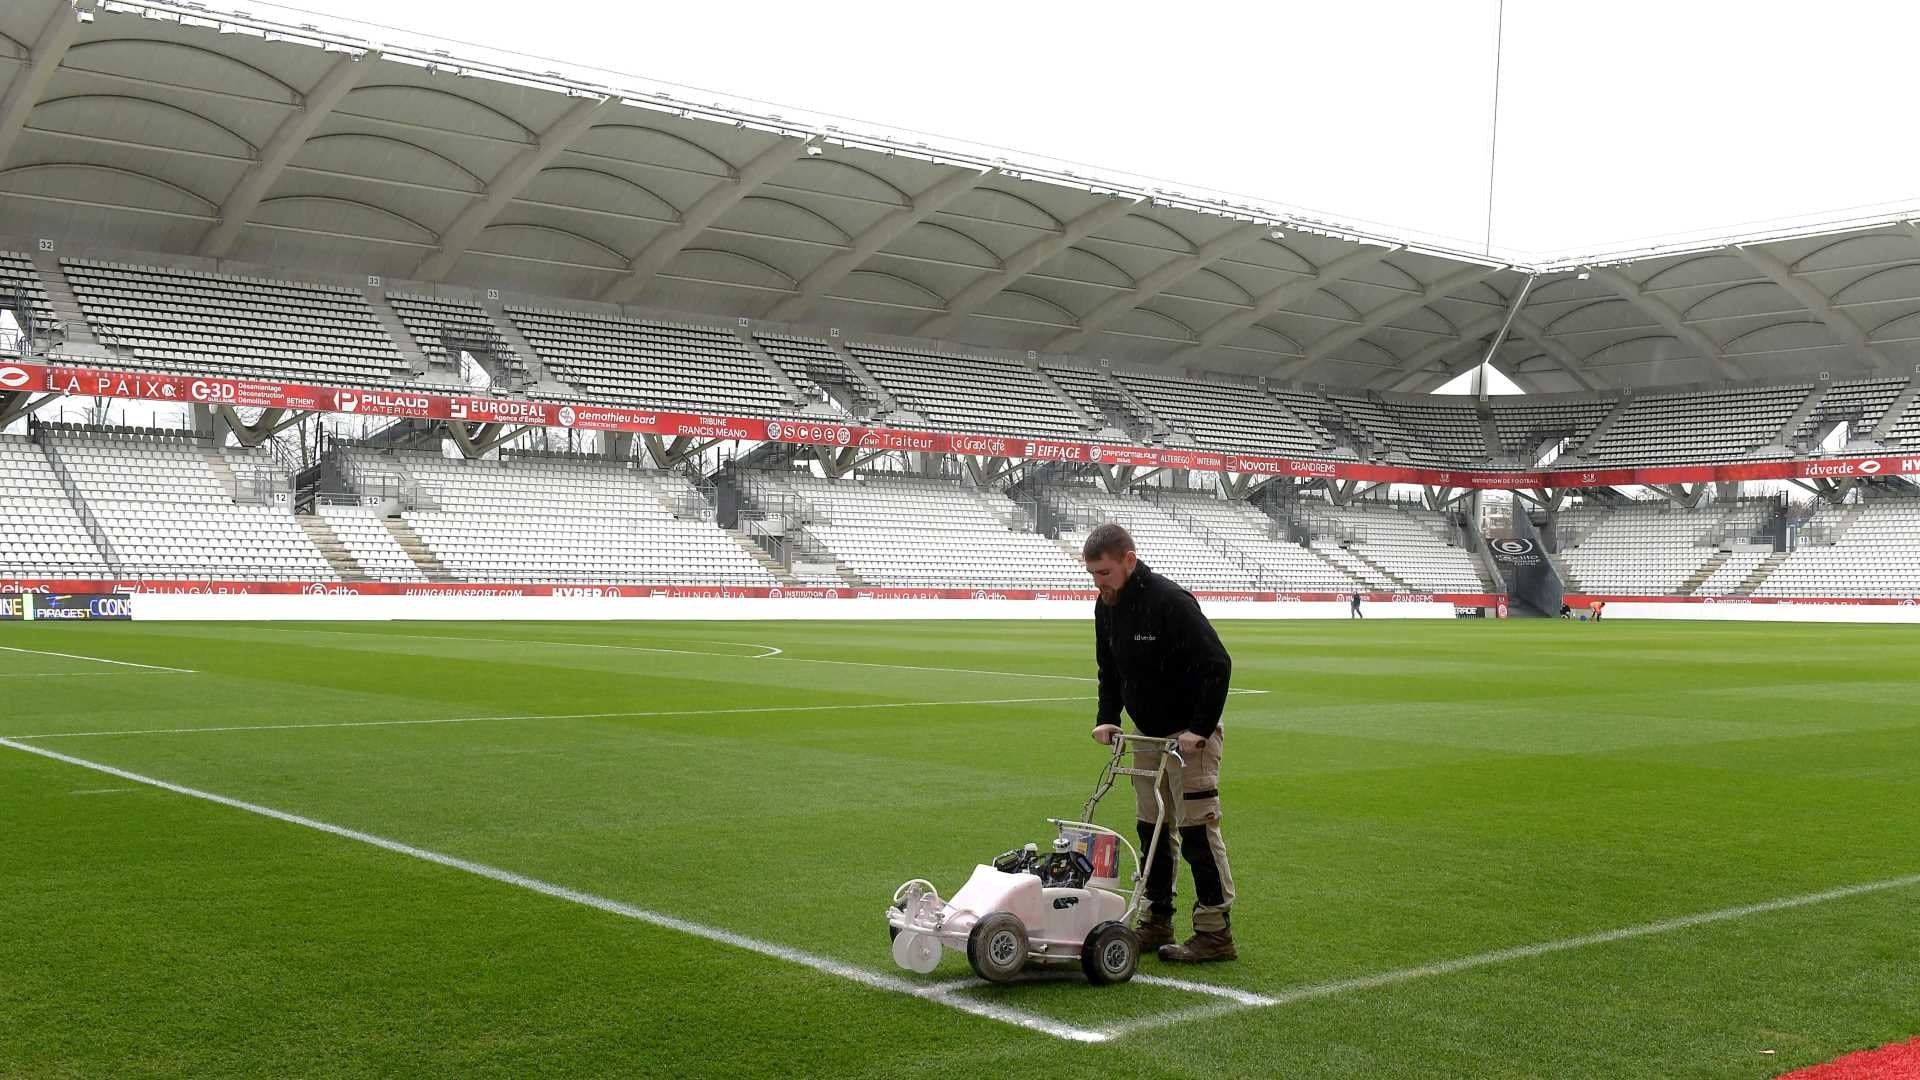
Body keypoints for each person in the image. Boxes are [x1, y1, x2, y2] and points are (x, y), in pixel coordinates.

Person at [1083, 522, 1237, 963]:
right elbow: (1108, 669)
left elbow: (1217, 663)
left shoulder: (1170, 602)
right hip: (1145, 734)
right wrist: (1107, 718)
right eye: (1093, 574)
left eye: (1105, 573)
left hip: (1189, 738)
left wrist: (1200, 729)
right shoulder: (1106, 605)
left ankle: (1214, 930)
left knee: (1196, 831)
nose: (1098, 582)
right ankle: (1157, 918)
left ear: (1128, 560)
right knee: (1150, 830)